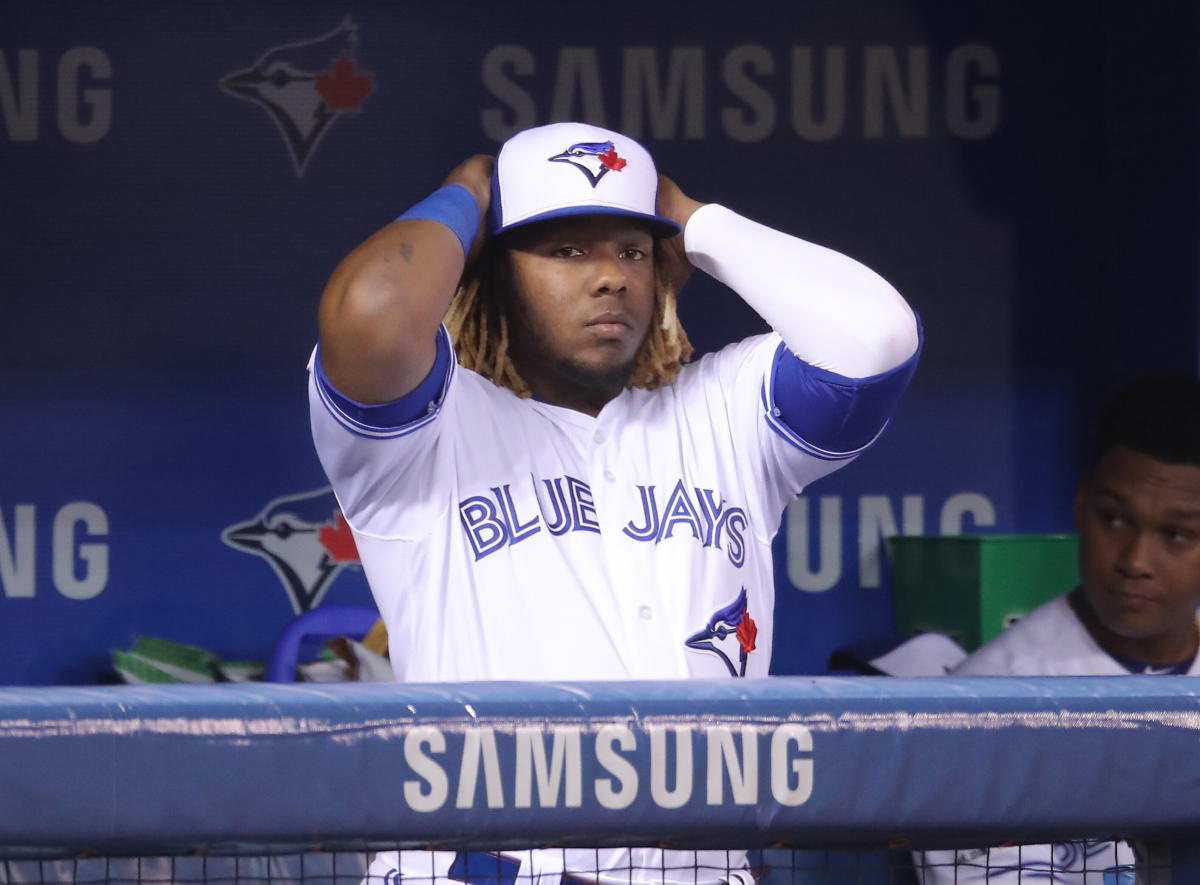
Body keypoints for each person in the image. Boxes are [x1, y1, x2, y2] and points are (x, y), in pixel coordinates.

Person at [309, 121, 921, 884]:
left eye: (632, 249)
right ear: (495, 273)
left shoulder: (726, 417)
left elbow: (879, 339)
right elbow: (373, 308)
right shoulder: (427, 438)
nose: (611, 276)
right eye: (567, 249)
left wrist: (689, 217)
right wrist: (469, 194)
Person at [914, 375, 1200, 884]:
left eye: (1175, 535)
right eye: (1114, 519)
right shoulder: (987, 705)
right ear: (1080, 503)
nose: (1135, 560)